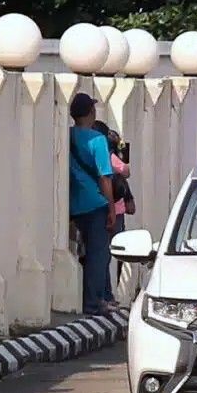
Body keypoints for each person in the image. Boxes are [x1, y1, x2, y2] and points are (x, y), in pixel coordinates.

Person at [68, 92, 116, 314]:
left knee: (80, 253)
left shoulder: (67, 136)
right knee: (98, 255)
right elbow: (105, 177)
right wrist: (111, 208)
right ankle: (94, 302)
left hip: (73, 205)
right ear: (91, 112)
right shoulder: (98, 140)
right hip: (95, 204)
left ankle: (85, 299)